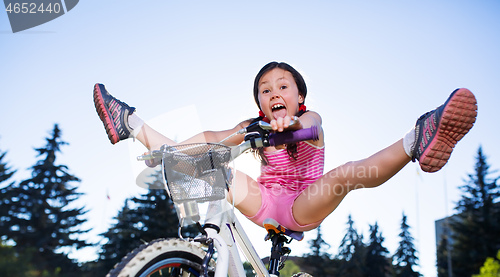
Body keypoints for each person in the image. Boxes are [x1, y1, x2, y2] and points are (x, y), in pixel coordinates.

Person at [93, 61, 477, 232]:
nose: (273, 92)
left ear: (299, 95)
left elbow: (310, 123)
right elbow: (210, 139)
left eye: (283, 86)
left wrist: (291, 124)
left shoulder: (310, 120)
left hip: (301, 204)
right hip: (263, 200)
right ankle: (129, 122)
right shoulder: (252, 126)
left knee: (346, 174)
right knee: (207, 163)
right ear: (259, 102)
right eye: (265, 89)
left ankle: (418, 138)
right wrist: (172, 154)